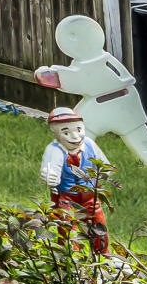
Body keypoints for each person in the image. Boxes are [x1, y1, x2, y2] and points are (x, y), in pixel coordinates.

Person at [40, 107, 113, 255]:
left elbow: (105, 165)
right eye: (66, 132)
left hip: (89, 194)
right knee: (67, 227)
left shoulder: (90, 145)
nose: (74, 136)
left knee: (98, 224)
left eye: (78, 130)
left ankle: (103, 254)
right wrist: (48, 175)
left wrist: (105, 172)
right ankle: (70, 256)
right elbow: (49, 169)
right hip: (66, 196)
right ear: (56, 132)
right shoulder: (54, 150)